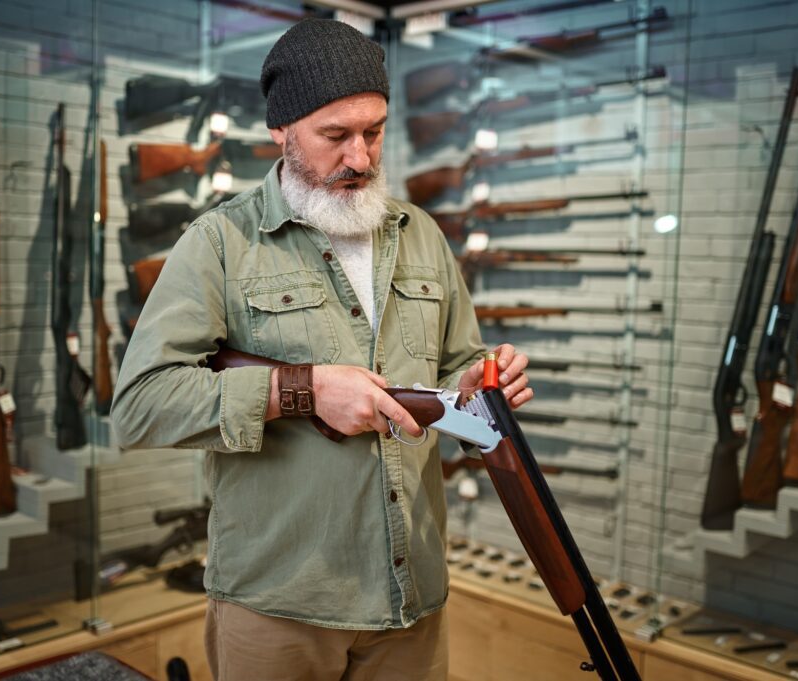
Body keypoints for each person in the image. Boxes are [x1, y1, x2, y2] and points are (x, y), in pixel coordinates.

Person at [111, 18, 533, 681]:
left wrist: (485, 380)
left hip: (409, 602)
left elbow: (456, 365)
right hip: (280, 608)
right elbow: (140, 405)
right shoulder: (220, 241)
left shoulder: (420, 234)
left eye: (374, 132)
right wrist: (302, 390)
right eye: (335, 135)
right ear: (281, 132)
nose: (361, 156)